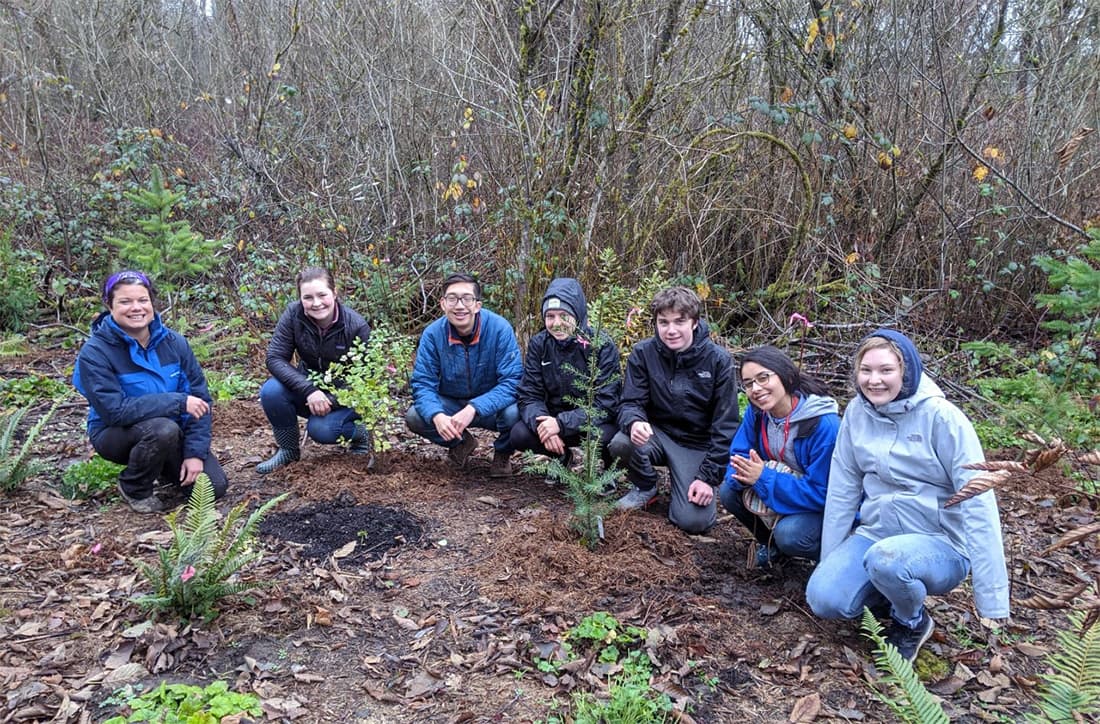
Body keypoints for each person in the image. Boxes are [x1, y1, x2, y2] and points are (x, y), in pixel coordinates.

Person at [805, 329, 1010, 662]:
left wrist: (992, 597)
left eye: (886, 370)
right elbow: (842, 490)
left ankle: (911, 621)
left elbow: (979, 502)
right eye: (866, 370)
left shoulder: (943, 418)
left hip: (941, 543)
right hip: (876, 536)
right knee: (824, 598)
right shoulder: (857, 414)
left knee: (888, 560)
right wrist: (828, 562)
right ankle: (894, 591)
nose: (875, 380)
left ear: (906, 371)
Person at [72, 270, 228, 513]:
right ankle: (134, 486)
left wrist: (195, 453)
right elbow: (114, 411)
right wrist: (177, 402)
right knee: (162, 429)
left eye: (142, 300)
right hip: (116, 433)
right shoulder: (95, 353)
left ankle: (163, 466)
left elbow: (200, 402)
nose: (136, 308)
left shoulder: (174, 343)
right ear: (109, 304)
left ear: (152, 302)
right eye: (125, 301)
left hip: (173, 433)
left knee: (213, 488)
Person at [611, 287, 739, 533]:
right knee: (621, 442)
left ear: (694, 322)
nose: (671, 330)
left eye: (679, 321)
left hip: (696, 445)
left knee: (693, 522)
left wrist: (707, 477)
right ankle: (646, 486)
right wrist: (635, 421)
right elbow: (629, 402)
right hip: (657, 435)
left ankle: (689, 485)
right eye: (664, 322)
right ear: (656, 323)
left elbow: (726, 425)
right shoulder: (643, 353)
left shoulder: (718, 360)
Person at [718, 346, 840, 568]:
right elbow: (739, 453)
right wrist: (740, 473)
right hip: (781, 484)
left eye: (763, 378)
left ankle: (831, 561)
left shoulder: (823, 425)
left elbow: (826, 493)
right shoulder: (757, 414)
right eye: (748, 383)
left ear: (784, 374)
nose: (756, 389)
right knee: (728, 492)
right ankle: (772, 547)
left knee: (790, 535)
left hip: (820, 506)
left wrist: (762, 477)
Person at [257, 267, 372, 474]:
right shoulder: (294, 315)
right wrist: (310, 390)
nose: (316, 303)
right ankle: (289, 451)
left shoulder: (356, 326)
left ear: (334, 293)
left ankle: (360, 433)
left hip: (347, 397)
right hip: (310, 388)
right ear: (300, 299)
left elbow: (366, 379)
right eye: (308, 297)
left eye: (322, 295)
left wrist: (330, 399)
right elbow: (274, 358)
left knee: (321, 430)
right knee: (271, 392)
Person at [405, 273, 522, 477]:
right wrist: (437, 415)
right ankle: (460, 443)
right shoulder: (432, 335)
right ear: (442, 304)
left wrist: (475, 407)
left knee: (517, 413)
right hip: (451, 403)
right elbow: (423, 383)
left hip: (491, 406)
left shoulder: (499, 329)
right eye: (452, 298)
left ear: (477, 305)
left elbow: (513, 382)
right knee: (416, 416)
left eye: (467, 298)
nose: (459, 306)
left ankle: (503, 452)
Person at [510, 278, 621, 473]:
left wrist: (561, 424)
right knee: (519, 434)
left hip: (590, 424)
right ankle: (561, 458)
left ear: (577, 315)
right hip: (551, 420)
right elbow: (529, 394)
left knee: (609, 436)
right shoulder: (540, 344)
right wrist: (543, 423)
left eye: (564, 315)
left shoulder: (600, 345)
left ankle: (607, 473)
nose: (557, 323)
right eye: (550, 316)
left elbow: (606, 403)